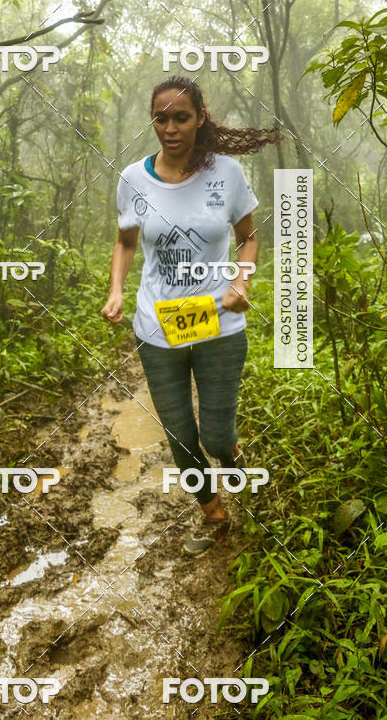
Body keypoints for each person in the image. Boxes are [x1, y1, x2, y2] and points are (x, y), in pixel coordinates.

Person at [101, 75, 280, 557]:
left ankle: (232, 454)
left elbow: (249, 238)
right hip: (158, 326)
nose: (171, 127)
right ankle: (213, 512)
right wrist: (117, 290)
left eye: (181, 117)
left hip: (218, 324)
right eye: (162, 118)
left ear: (200, 118)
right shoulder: (134, 179)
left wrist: (242, 282)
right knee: (181, 436)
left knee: (218, 435)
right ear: (153, 121)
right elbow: (125, 241)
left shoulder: (226, 173)